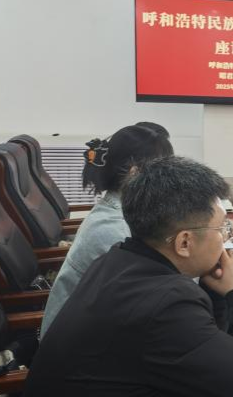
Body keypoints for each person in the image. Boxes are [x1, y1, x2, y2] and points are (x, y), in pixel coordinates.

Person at [24, 156, 233, 397]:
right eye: (222, 227)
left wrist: (216, 292)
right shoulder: (165, 305)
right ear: (184, 242)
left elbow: (206, 352)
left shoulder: (117, 260)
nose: (225, 236)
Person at [39, 123, 173, 337]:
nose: (170, 180)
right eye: (164, 171)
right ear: (135, 174)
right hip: (79, 348)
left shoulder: (121, 212)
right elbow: (159, 294)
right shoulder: (113, 230)